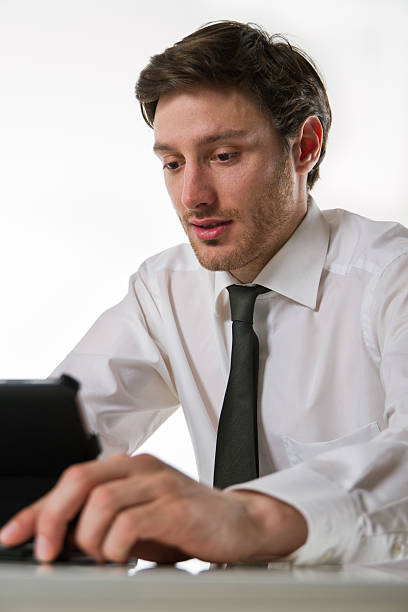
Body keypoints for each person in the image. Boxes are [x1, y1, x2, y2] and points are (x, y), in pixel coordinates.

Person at [1, 20, 408, 566]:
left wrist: (253, 516)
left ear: (305, 147)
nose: (192, 196)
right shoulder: (164, 290)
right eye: (172, 163)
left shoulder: (390, 276)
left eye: (224, 156)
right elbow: (58, 437)